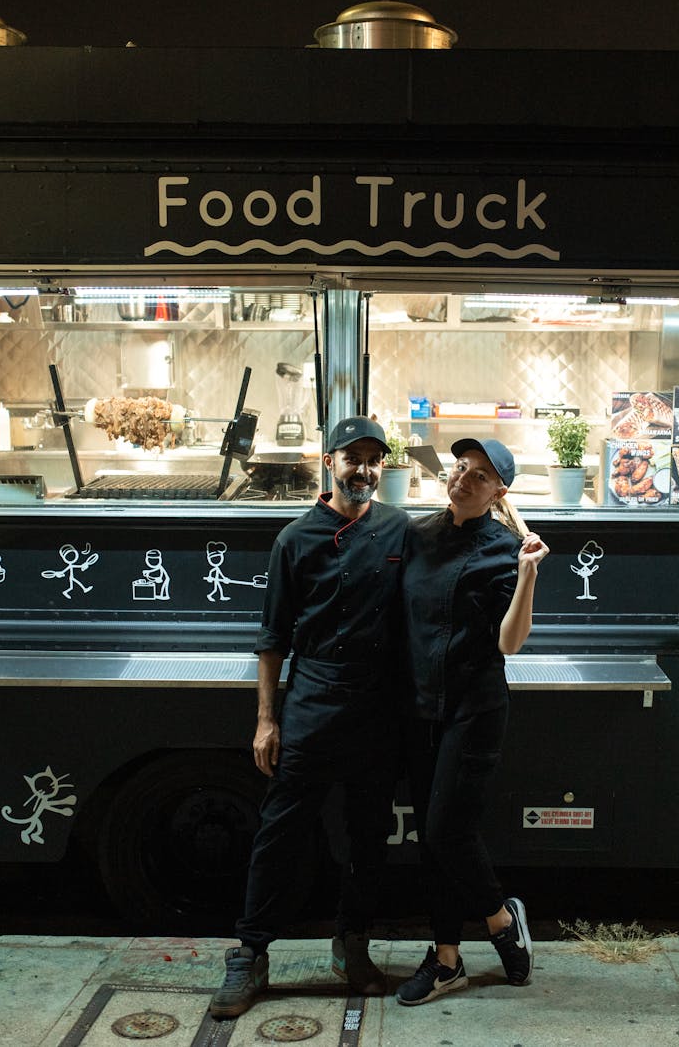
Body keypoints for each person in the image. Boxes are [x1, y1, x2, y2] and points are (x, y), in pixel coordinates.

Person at [210, 416, 409, 1019]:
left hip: (377, 711)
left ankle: (353, 947)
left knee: (368, 836)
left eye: (375, 460)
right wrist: (267, 720)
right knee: (281, 832)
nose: (364, 471)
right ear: (330, 463)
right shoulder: (294, 539)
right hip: (314, 703)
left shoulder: (401, 530)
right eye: (353, 459)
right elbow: (273, 639)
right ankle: (250, 954)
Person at [395, 437, 549, 1006]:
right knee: (431, 845)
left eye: (480, 475)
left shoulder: (506, 548)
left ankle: (501, 920)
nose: (464, 478)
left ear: (499, 492)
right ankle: (446, 960)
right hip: (419, 706)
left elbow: (509, 641)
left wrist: (528, 574)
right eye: (461, 467)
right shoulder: (417, 534)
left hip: (473, 708)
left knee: (445, 832)